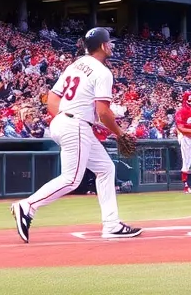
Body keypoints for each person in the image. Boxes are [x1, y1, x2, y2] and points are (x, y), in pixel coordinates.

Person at [10, 28, 141, 243]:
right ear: (102, 46)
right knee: (71, 179)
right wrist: (118, 133)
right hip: (75, 124)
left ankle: (112, 224)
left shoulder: (75, 65)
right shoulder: (102, 71)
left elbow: (52, 97)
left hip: (64, 120)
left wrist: (66, 117)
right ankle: (28, 206)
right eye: (109, 42)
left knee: (106, 168)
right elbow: (103, 111)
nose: (111, 45)